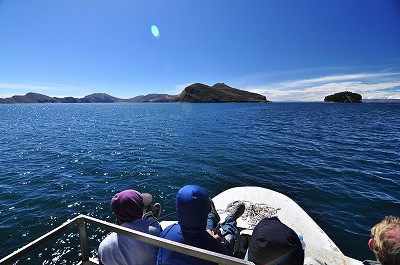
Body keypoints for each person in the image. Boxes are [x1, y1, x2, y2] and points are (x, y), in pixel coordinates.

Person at [156, 185, 230, 265]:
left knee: (209, 228)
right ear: (206, 209)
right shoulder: (215, 247)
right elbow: (225, 256)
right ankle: (230, 220)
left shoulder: (167, 231)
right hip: (209, 239)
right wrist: (219, 243)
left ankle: (212, 216)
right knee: (228, 236)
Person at [98, 189, 162, 265]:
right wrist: (153, 222)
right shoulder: (154, 229)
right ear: (139, 210)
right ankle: (151, 217)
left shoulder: (103, 245)